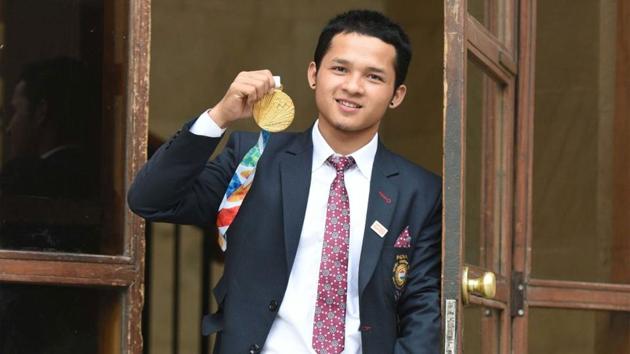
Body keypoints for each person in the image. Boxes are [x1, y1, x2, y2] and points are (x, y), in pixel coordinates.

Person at [128, 10, 441, 354]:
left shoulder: (420, 191)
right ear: (313, 74)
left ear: (396, 95)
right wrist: (220, 116)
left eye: (374, 77)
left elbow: (422, 307)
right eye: (340, 68)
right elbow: (150, 200)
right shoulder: (254, 157)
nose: (352, 86)